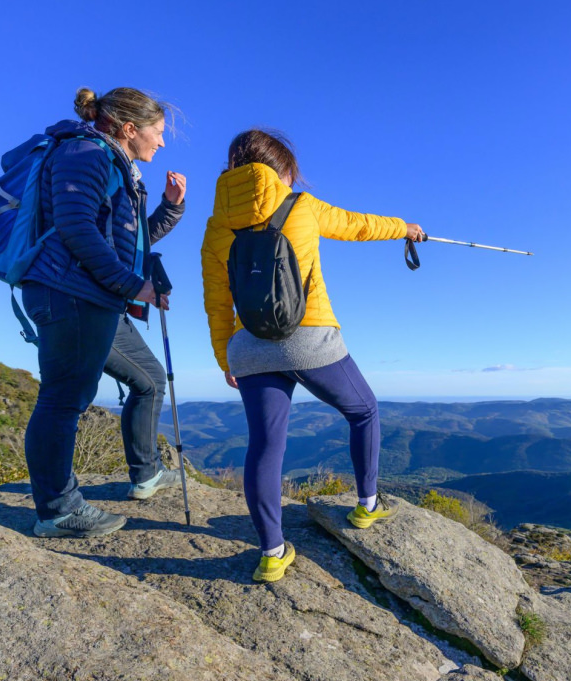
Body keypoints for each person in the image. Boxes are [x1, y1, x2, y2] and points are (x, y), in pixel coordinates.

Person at [201, 128, 424, 582]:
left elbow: (216, 300)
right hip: (309, 336)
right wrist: (405, 228)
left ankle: (272, 553)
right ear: (281, 171)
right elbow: (358, 225)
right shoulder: (300, 205)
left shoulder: (216, 225)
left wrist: (226, 358)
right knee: (364, 410)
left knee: (265, 445)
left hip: (248, 346)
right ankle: (367, 505)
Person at [21, 86, 186, 538]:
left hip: (94, 297)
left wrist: (170, 208)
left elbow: (129, 240)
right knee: (63, 399)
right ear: (130, 128)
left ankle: (146, 474)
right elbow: (76, 229)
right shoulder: (85, 154)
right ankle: (58, 510)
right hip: (69, 294)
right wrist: (135, 286)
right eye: (157, 131)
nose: (162, 141)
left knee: (149, 380)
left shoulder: (112, 162)